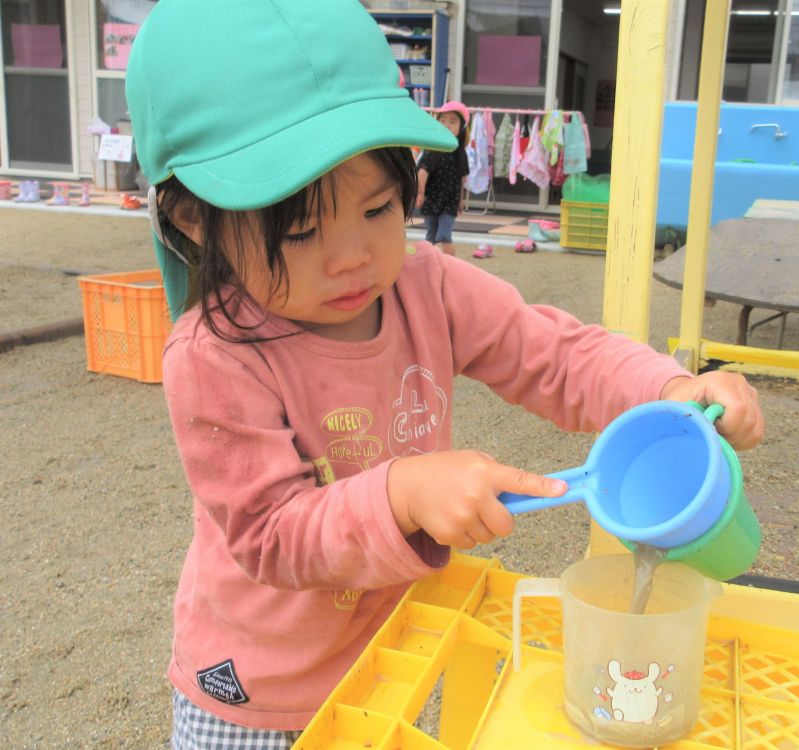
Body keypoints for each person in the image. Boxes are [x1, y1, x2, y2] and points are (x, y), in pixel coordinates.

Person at [126, 1, 764, 747]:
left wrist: (668, 389)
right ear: (196, 221)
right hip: (264, 687)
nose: (352, 258)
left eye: (377, 209)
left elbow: (551, 352)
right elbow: (270, 535)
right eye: (300, 231)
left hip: (397, 648)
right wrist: (402, 491)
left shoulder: (425, 285)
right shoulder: (215, 354)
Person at [415, 100, 469, 256]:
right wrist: (420, 193)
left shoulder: (460, 152)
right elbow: (423, 171)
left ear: (462, 127)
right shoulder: (435, 147)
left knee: (444, 235)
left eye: (453, 121)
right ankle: (427, 265)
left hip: (450, 201)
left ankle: (452, 268)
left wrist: (460, 200)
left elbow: (461, 178)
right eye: (443, 120)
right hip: (431, 199)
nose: (447, 125)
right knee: (430, 237)